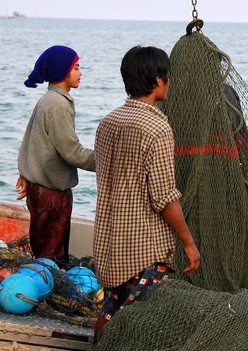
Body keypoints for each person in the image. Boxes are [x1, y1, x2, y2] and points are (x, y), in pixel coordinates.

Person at [93, 46, 200, 339]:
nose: (169, 82)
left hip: (110, 244)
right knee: (139, 326)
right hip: (144, 248)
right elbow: (164, 196)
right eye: (167, 77)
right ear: (156, 81)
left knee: (110, 310)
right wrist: (188, 243)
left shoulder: (108, 122)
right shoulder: (156, 126)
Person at [16, 45, 95, 264]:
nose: (80, 73)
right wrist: (107, 159)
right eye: (76, 67)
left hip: (40, 190)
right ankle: (43, 296)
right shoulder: (58, 105)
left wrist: (25, 173)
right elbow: (72, 152)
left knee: (45, 254)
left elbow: (31, 141)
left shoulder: (48, 100)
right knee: (51, 260)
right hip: (51, 195)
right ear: (63, 72)